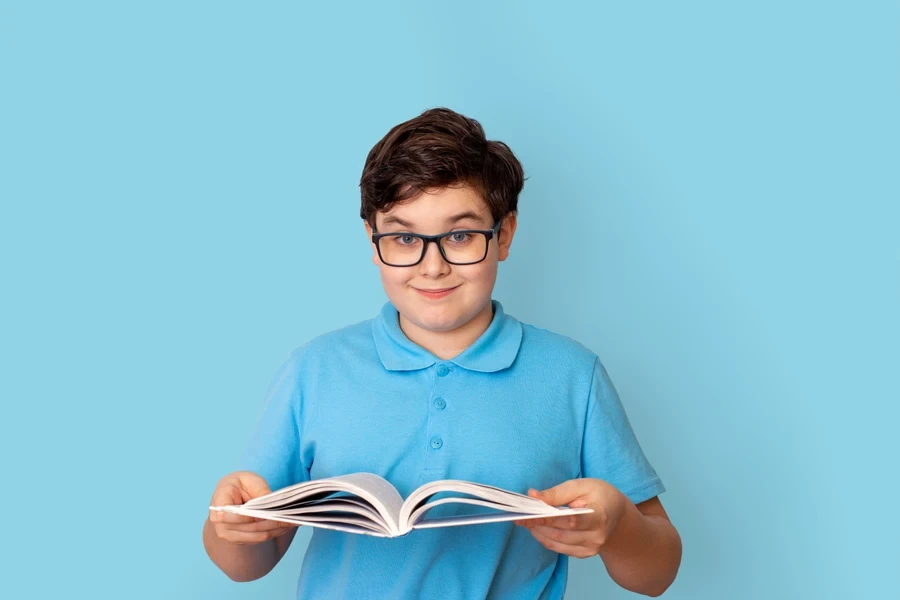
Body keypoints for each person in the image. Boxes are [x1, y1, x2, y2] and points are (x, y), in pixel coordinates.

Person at [203, 107, 682, 598]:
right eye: (405, 237)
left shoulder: (572, 376)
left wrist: (619, 523)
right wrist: (231, 524)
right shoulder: (314, 370)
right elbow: (244, 565)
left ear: (505, 235)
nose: (432, 267)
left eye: (459, 235)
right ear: (373, 239)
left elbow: (657, 573)